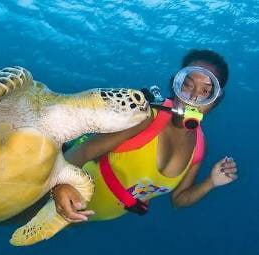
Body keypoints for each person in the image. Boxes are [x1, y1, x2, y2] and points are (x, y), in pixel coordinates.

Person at [51, 49, 238, 223]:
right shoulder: (146, 116)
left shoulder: (199, 147)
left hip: (89, 217)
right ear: (175, 85)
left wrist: (211, 182)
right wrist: (59, 186)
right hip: (55, 196)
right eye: (188, 85)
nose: (193, 98)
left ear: (216, 101)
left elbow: (179, 200)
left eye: (206, 91)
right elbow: (83, 151)